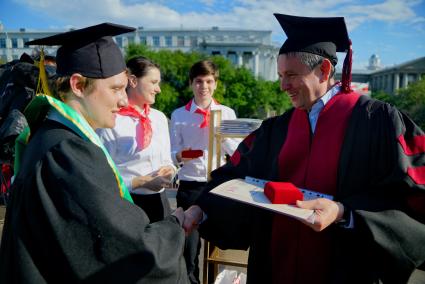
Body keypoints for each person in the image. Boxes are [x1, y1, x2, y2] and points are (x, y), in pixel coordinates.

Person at [184, 14, 425, 284]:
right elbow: (235, 175)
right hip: (275, 267)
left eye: (291, 75)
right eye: (280, 75)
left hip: (345, 270)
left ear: (323, 70)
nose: (282, 85)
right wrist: (201, 209)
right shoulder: (275, 129)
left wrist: (344, 212)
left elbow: (410, 195)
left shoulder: (378, 122)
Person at [0, 23, 189, 283]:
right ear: (78, 85)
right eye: (115, 88)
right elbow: (126, 253)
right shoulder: (67, 153)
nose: (124, 100)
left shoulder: (49, 136)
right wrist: (175, 226)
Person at [170, 60, 240, 284]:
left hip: (218, 186)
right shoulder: (179, 115)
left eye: (209, 81)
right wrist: (184, 155)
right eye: (199, 81)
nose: (204, 86)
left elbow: (236, 151)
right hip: (190, 186)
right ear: (191, 84)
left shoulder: (226, 112)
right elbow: (171, 154)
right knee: (190, 251)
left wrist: (223, 136)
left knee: (220, 246)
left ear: (216, 84)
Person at [97, 56, 176, 223]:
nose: (158, 89)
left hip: (160, 203)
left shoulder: (160, 118)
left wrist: (169, 170)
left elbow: (168, 160)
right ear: (132, 81)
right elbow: (103, 177)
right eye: (153, 82)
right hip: (127, 204)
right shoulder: (111, 121)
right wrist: (140, 182)